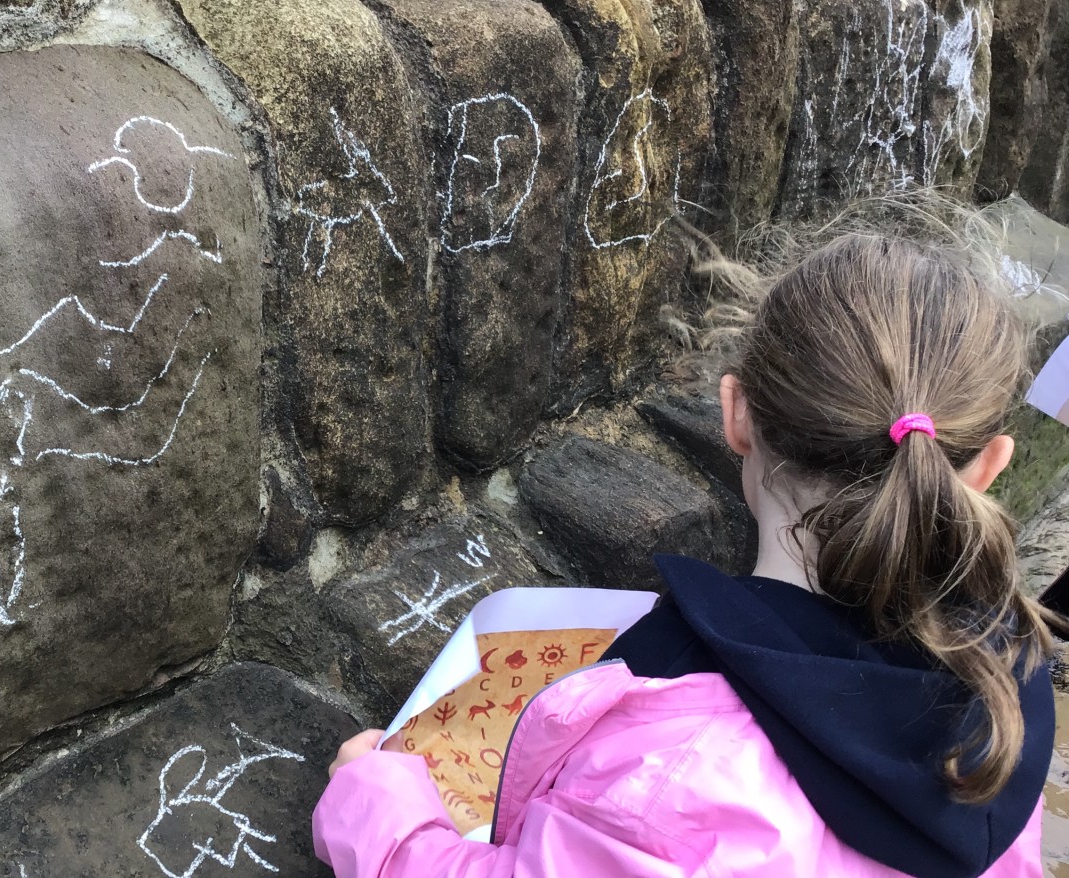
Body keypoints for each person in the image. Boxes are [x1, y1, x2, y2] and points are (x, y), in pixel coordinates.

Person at [313, 220, 1059, 877]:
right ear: (989, 465)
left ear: (735, 416)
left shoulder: (670, 781)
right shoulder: (1007, 684)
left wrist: (380, 812)